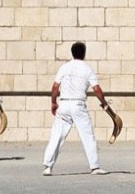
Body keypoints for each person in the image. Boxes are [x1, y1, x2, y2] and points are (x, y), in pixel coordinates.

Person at [42, 42, 110, 176]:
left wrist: (53, 102)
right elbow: (96, 89)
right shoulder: (87, 69)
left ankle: (48, 167)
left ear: (72, 53)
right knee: (88, 136)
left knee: (56, 136)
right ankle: (95, 167)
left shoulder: (64, 67)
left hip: (64, 104)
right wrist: (104, 103)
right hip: (78, 105)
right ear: (84, 53)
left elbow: (55, 87)